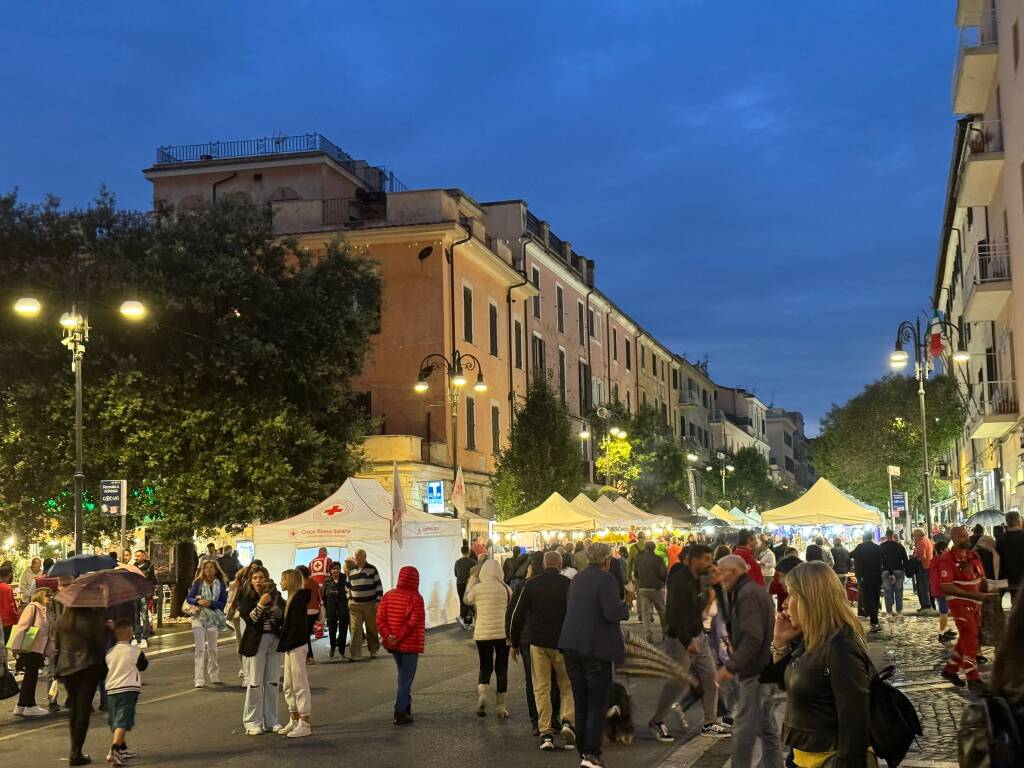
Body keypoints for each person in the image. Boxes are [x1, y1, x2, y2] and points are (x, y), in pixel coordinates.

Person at [768, 562, 875, 768]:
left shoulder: (841, 647)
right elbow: (791, 685)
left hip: (829, 760)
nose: (784, 604)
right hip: (803, 756)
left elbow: (855, 720)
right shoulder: (812, 639)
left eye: (791, 596)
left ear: (810, 599)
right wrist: (780, 642)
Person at [558, 542, 629, 768]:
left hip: (571, 644)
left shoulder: (577, 579)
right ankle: (591, 754)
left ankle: (583, 752)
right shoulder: (606, 579)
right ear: (607, 561)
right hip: (595, 648)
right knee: (597, 701)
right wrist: (626, 605)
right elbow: (611, 612)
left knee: (581, 699)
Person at [650, 544, 730, 741]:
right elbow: (674, 615)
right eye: (705, 559)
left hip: (698, 636)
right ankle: (657, 721)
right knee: (676, 684)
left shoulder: (699, 580)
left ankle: (709, 723)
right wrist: (687, 642)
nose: (709, 563)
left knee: (711, 678)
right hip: (680, 640)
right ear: (693, 560)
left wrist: (716, 585)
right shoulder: (681, 580)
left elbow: (716, 607)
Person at [714, 555, 781, 768]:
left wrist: (730, 666)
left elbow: (753, 637)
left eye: (721, 572)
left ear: (733, 572)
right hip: (762, 669)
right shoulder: (748, 591)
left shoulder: (748, 594)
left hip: (755, 672)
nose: (719, 578)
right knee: (766, 727)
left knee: (744, 730)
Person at [508, 549, 575, 750]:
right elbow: (575, 613)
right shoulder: (568, 585)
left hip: (538, 643)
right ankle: (567, 721)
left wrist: (514, 640)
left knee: (541, 687)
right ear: (560, 564)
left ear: (544, 564)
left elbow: (517, 615)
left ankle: (545, 733)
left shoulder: (531, 585)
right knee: (566, 685)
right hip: (563, 643)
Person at [935, 525, 998, 690]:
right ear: (954, 539)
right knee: (971, 637)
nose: (967, 538)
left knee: (966, 638)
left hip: (975, 605)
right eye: (962, 536)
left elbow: (982, 580)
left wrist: (1002, 586)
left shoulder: (973, 556)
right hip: (959, 604)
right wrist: (975, 595)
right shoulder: (946, 559)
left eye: (966, 535)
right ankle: (972, 677)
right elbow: (947, 587)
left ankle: (950, 670)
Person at [56, 606, 108, 766]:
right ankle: (76, 751)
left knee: (75, 708)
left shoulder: (63, 620)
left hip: (66, 667)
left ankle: (74, 749)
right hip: (87, 666)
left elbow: (58, 645)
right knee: (83, 709)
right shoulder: (92, 618)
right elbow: (99, 643)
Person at [464, 557, 513, 718]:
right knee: (501, 668)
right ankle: (501, 707)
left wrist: (472, 578)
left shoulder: (478, 588)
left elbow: (466, 600)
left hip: (482, 634)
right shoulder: (506, 588)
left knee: (485, 666)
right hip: (502, 633)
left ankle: (483, 694)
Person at [238, 566, 285, 735]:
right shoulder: (246, 598)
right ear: (250, 580)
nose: (259, 581)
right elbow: (250, 619)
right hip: (256, 642)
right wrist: (260, 604)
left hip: (273, 641)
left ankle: (271, 720)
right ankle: (252, 721)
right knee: (255, 683)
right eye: (256, 578)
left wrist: (276, 609)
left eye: (262, 577)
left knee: (272, 682)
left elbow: (282, 616)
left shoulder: (276, 596)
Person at [376, 565, 425, 726]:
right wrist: (397, 636)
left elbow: (380, 619)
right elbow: (413, 623)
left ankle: (407, 707)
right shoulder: (416, 598)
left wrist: (388, 636)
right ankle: (400, 711)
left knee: (403, 677)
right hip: (409, 645)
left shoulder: (389, 595)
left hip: (394, 645)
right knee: (406, 679)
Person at [104, 618, 148, 766]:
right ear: (130, 634)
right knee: (123, 721)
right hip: (128, 689)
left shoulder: (110, 652)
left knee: (115, 719)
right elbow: (143, 666)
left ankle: (122, 748)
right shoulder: (135, 651)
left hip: (111, 689)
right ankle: (114, 749)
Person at [277, 569, 313, 738]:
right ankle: (294, 718)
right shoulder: (292, 600)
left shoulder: (297, 600)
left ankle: (304, 722)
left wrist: (286, 640)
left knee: (299, 683)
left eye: (283, 580)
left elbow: (297, 627)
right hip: (291, 645)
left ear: (290, 581)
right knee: (289, 684)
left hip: (296, 645)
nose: (280, 583)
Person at [185, 559, 228, 688]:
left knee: (213, 648)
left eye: (211, 567)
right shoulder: (198, 583)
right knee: (199, 648)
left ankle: (214, 675)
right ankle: (199, 679)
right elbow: (189, 598)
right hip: (199, 617)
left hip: (213, 618)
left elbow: (222, 603)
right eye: (206, 568)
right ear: (203, 570)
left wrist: (210, 603)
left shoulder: (221, 584)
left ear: (216, 570)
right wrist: (198, 602)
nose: (208, 570)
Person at [11, 587, 51, 716]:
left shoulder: (44, 610)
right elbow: (22, 626)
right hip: (30, 647)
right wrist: (16, 647)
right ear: (40, 595)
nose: (50, 598)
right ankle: (30, 705)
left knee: (30, 675)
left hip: (36, 647)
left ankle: (22, 704)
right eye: (47, 595)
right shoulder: (33, 607)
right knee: (31, 676)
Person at [346, 549, 383, 661]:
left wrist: (378, 601)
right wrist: (349, 597)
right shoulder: (351, 570)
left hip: (370, 604)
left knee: (371, 628)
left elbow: (379, 585)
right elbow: (347, 586)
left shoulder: (372, 569)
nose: (356, 557)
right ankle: (355, 654)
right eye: (356, 555)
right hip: (355, 606)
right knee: (355, 629)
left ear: (364, 557)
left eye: (359, 555)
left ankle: (373, 650)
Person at [632, 540, 668, 643]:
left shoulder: (638, 558)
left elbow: (636, 573)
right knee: (661, 610)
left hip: (643, 588)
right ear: (654, 548)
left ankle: (648, 633)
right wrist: (662, 582)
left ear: (645, 548)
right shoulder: (658, 559)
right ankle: (665, 633)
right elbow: (663, 574)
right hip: (656, 588)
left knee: (645, 612)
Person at [850, 532, 883, 633]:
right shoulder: (877, 547)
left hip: (865, 577)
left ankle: (873, 620)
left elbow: (850, 555)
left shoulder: (860, 547)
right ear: (872, 538)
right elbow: (883, 560)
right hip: (877, 576)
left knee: (869, 598)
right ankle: (874, 619)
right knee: (875, 597)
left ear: (863, 538)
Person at [929, 540, 956, 642]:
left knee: (944, 610)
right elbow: (945, 576)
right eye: (946, 549)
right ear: (941, 550)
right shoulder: (943, 561)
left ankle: (946, 629)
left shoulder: (934, 560)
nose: (948, 550)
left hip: (937, 588)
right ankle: (942, 633)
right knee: (944, 612)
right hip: (943, 589)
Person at [996, 510, 1024, 605]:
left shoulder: (1001, 540)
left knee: (1015, 606)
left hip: (1009, 580)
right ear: (1019, 521)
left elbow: (997, 561)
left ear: (1007, 523)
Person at [879, 529, 909, 617]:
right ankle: (899, 611)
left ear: (886, 535)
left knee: (888, 592)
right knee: (899, 591)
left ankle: (889, 611)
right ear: (893, 535)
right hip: (898, 570)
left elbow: (878, 560)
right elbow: (905, 559)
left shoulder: (881, 547)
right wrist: (904, 568)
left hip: (886, 571)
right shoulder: (899, 546)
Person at [322, 562, 349, 659]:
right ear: (330, 570)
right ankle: (332, 647)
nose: (336, 570)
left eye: (338, 568)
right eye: (333, 569)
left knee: (343, 629)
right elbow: (323, 595)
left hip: (343, 607)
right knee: (332, 630)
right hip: (331, 607)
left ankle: (342, 651)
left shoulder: (345, 578)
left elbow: (349, 590)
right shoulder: (327, 580)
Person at [295, 565, 321, 664]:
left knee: (305, 636)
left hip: (306, 611)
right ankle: (308, 656)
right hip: (315, 610)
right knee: (307, 634)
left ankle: (309, 656)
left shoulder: (301, 584)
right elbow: (320, 594)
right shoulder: (314, 582)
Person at [131, 550, 155, 648]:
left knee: (145, 617)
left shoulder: (149, 567)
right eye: (135, 556)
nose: (136, 558)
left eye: (138, 556)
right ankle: (137, 638)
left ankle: (144, 637)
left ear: (143, 557)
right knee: (136, 616)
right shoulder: (133, 567)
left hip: (144, 594)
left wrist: (149, 594)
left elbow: (152, 581)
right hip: (136, 594)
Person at [911, 528, 935, 612]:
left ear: (917, 535)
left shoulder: (921, 542)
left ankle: (926, 605)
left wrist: (914, 561)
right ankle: (928, 605)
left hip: (923, 567)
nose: (913, 537)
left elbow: (922, 556)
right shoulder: (927, 540)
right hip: (928, 565)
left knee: (922, 587)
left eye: (914, 535)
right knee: (926, 586)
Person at [454, 546, 476, 630]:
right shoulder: (473, 562)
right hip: (469, 583)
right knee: (469, 602)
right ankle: (465, 621)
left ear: (461, 552)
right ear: (469, 552)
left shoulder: (457, 562)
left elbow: (456, 574)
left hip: (459, 583)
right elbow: (475, 574)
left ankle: (464, 622)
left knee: (462, 602)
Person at [0, 565, 19, 646]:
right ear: (9, 575)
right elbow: (10, 607)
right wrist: (17, 617)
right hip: (7, 622)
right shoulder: (6, 588)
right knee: (8, 645)